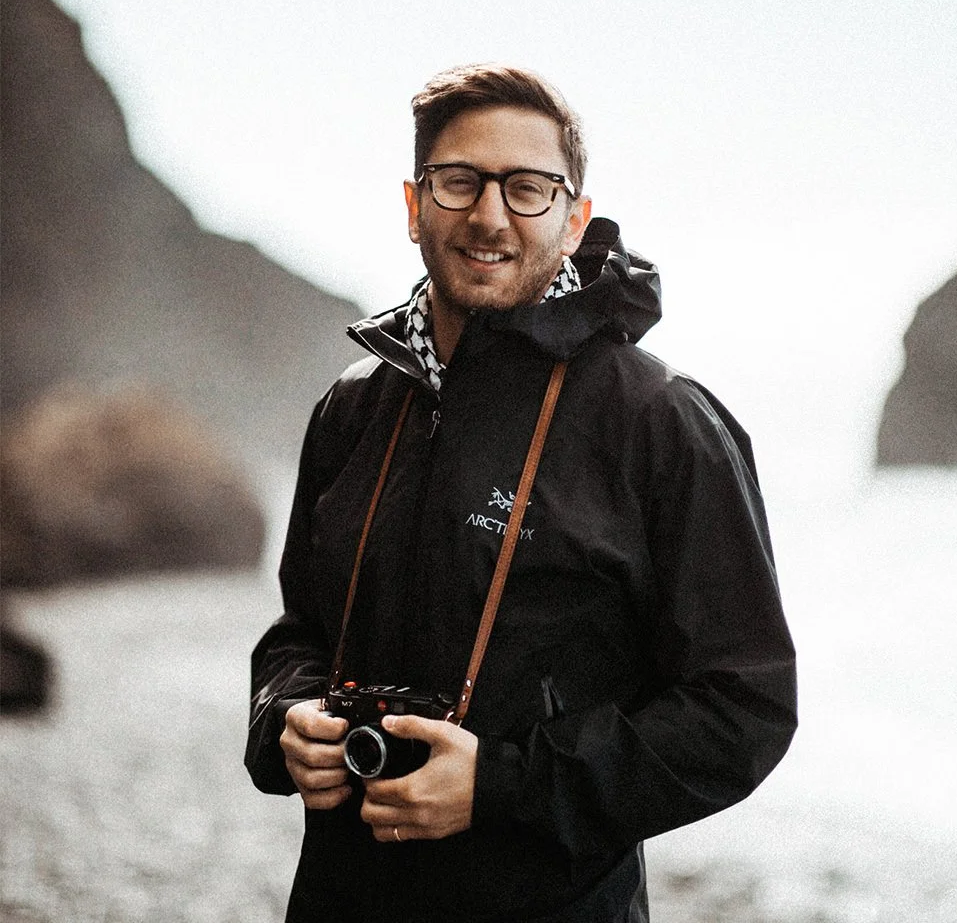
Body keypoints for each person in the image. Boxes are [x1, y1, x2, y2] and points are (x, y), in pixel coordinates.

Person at [245, 64, 796, 922]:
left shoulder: (663, 421)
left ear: (574, 218)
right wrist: (288, 718)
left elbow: (743, 710)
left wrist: (503, 786)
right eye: (459, 181)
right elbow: (300, 631)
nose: (490, 215)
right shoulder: (354, 406)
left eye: (528, 188)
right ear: (415, 203)